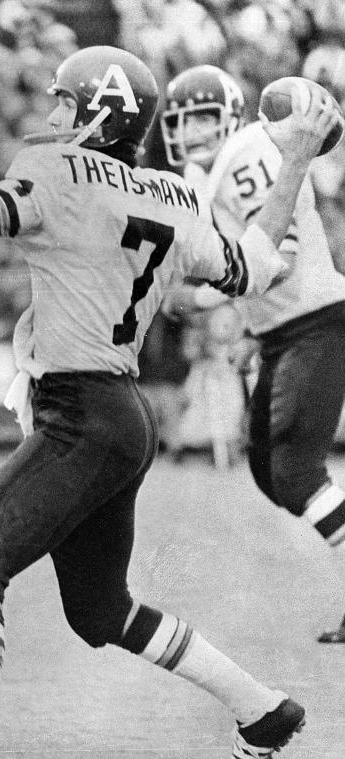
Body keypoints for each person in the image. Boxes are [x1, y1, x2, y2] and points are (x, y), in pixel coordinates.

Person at [0, 45, 337, 759]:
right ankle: (262, 710)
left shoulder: (58, 170)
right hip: (123, 418)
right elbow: (253, 265)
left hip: (80, 414)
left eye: (62, 101)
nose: (50, 114)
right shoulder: (174, 194)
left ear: (98, 108)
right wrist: (296, 163)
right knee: (99, 609)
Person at [160, 64, 345, 644]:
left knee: (292, 471)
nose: (191, 136)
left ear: (231, 116)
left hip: (312, 320)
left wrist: (201, 297)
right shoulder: (209, 175)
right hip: (282, 331)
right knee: (270, 472)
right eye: (182, 124)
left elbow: (276, 256)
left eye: (203, 121)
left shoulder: (244, 153)